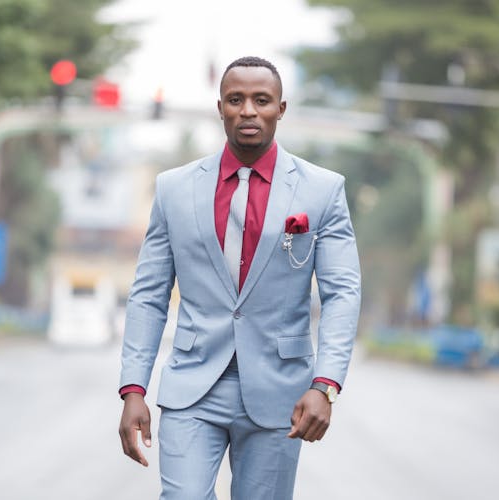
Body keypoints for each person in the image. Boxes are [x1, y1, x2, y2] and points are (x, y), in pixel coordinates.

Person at [118, 56, 361, 500]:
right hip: (193, 386)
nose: (248, 110)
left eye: (261, 100)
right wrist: (134, 387)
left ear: (280, 109)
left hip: (280, 392)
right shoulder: (175, 189)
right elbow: (149, 295)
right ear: (221, 108)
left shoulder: (322, 190)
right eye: (236, 100)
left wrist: (325, 386)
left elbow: (342, 293)